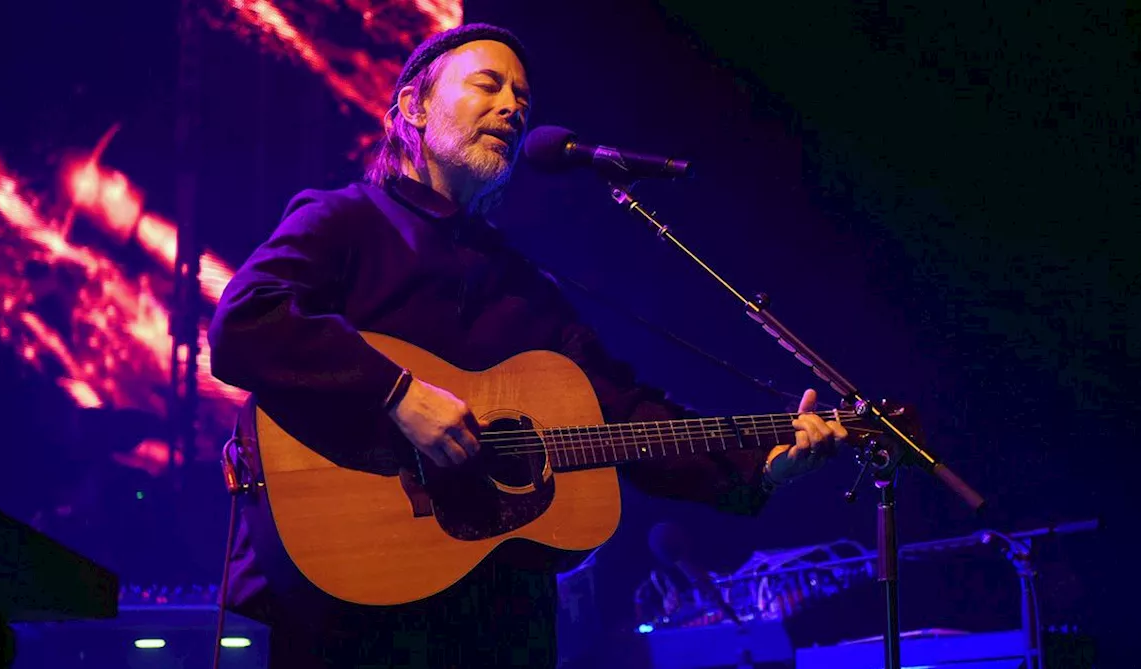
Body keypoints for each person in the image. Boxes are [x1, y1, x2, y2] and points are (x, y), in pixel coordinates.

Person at [208, 22, 847, 669]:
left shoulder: (523, 285)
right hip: (351, 606)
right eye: (489, 86)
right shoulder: (346, 220)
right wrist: (396, 393)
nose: (513, 107)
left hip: (499, 615)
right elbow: (246, 322)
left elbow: (623, 414)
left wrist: (760, 463)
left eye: (522, 97)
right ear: (414, 106)